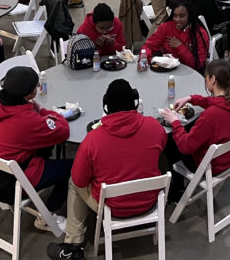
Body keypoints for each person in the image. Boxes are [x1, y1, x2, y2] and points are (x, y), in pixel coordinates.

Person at [48, 79, 167, 260]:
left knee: (74, 180)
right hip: (149, 200)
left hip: (113, 206)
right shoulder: (154, 127)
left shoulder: (93, 140)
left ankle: (73, 245)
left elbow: (80, 180)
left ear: (106, 107)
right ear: (135, 102)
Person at [0, 66, 72, 220]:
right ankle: (48, 214)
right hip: (14, 181)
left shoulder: (0, 105)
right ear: (30, 93)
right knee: (73, 166)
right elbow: (63, 132)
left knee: (45, 144)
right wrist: (55, 115)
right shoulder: (26, 121)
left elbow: (34, 119)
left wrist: (38, 112)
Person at [159, 58, 230, 198]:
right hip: (229, 156)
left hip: (209, 165)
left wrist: (175, 121)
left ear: (212, 79)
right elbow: (216, 102)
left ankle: (175, 191)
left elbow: (185, 146)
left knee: (169, 142)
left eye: (206, 78)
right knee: (188, 130)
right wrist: (192, 98)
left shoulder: (210, 116)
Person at [143, 0, 210, 72]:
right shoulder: (166, 27)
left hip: (191, 72)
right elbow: (148, 46)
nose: (177, 19)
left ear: (189, 16)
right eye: (175, 16)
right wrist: (143, 59)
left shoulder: (200, 33)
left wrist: (180, 47)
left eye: (182, 16)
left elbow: (198, 65)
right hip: (167, 70)